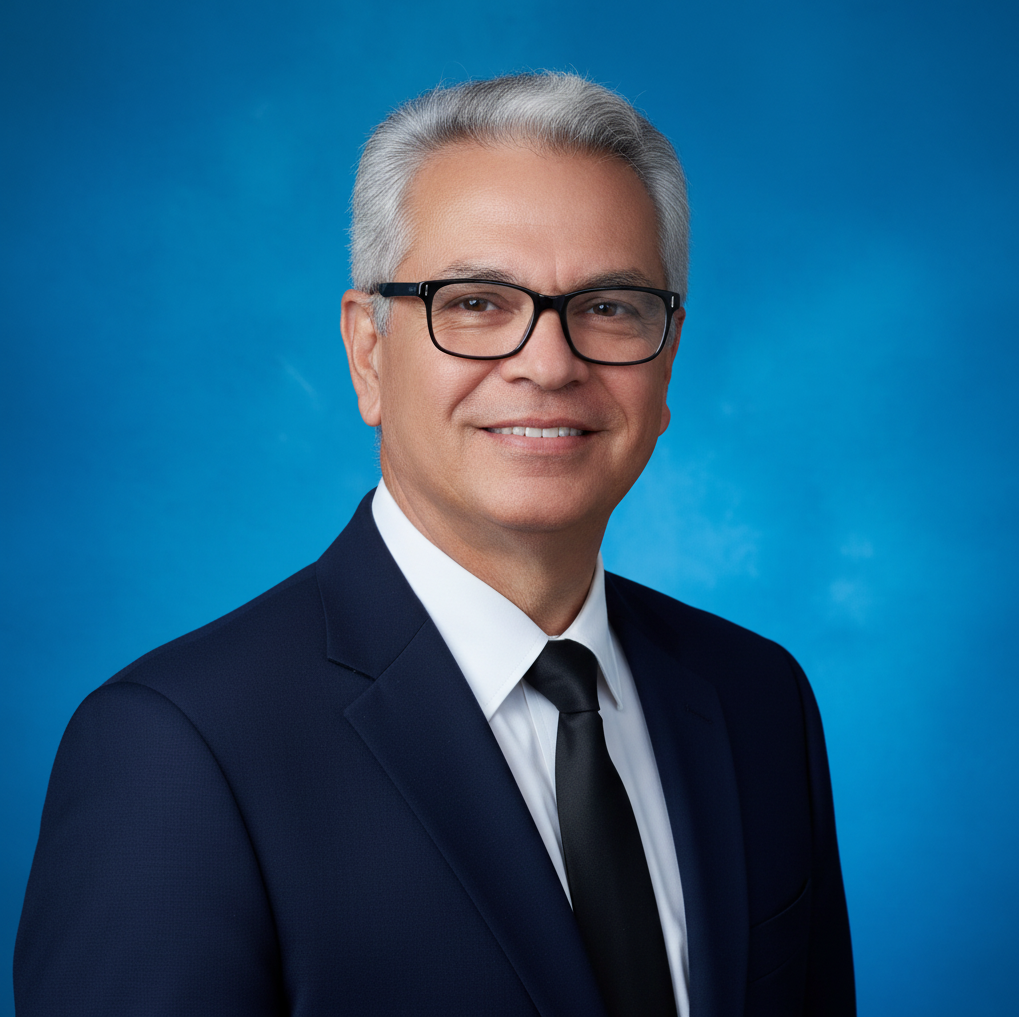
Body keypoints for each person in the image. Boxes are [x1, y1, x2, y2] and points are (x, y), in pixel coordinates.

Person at [14, 73, 855, 1017]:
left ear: (666, 364)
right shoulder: (175, 749)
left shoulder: (756, 698)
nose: (549, 363)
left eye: (611, 306)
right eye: (476, 303)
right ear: (368, 353)